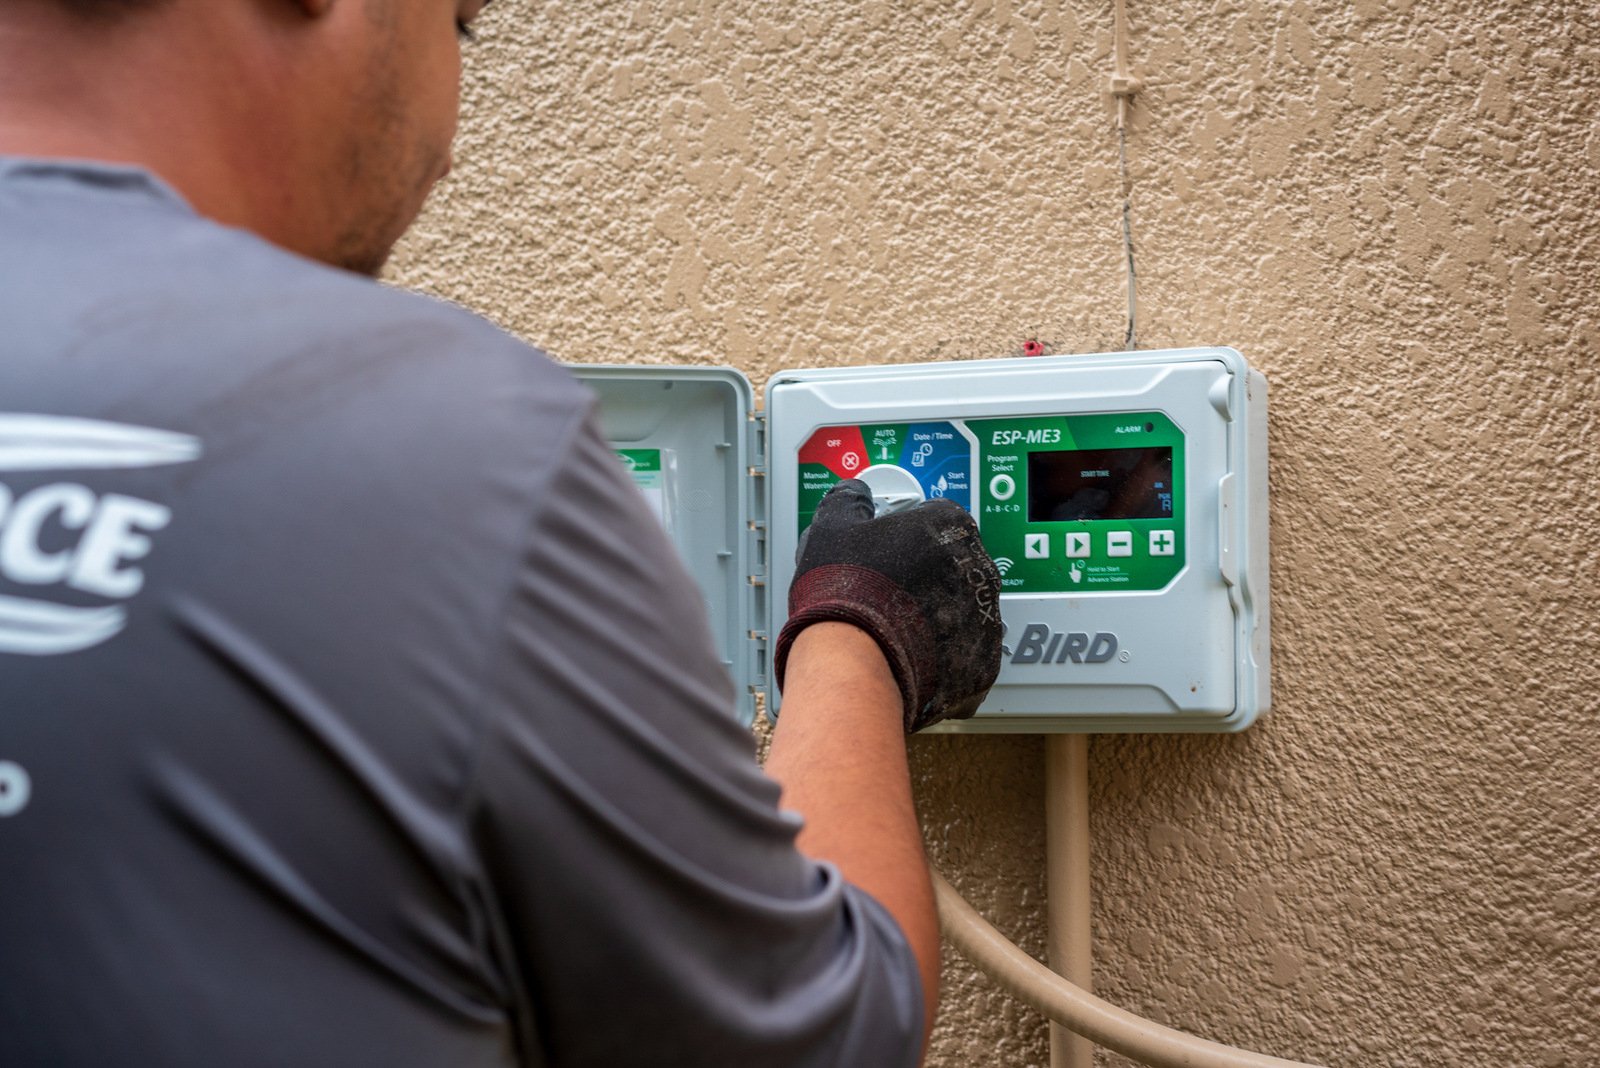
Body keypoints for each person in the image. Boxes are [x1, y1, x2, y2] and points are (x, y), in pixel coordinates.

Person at [0, 2, 1002, 1065]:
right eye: (460, 26)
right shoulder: (433, 434)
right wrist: (859, 633)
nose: (446, 145)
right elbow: (826, 1034)